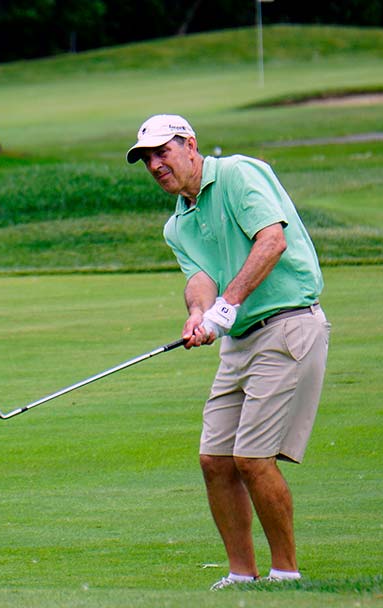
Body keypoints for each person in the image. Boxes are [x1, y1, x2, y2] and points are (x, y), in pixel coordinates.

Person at [127, 114, 330, 590]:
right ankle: (242, 575)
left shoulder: (239, 173)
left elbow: (272, 240)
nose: (156, 164)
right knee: (215, 459)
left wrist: (227, 304)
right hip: (239, 341)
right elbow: (200, 279)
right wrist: (200, 313)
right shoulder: (177, 225)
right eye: (147, 159)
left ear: (190, 144)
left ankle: (286, 573)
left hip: (288, 323)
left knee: (253, 458)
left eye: (163, 152)